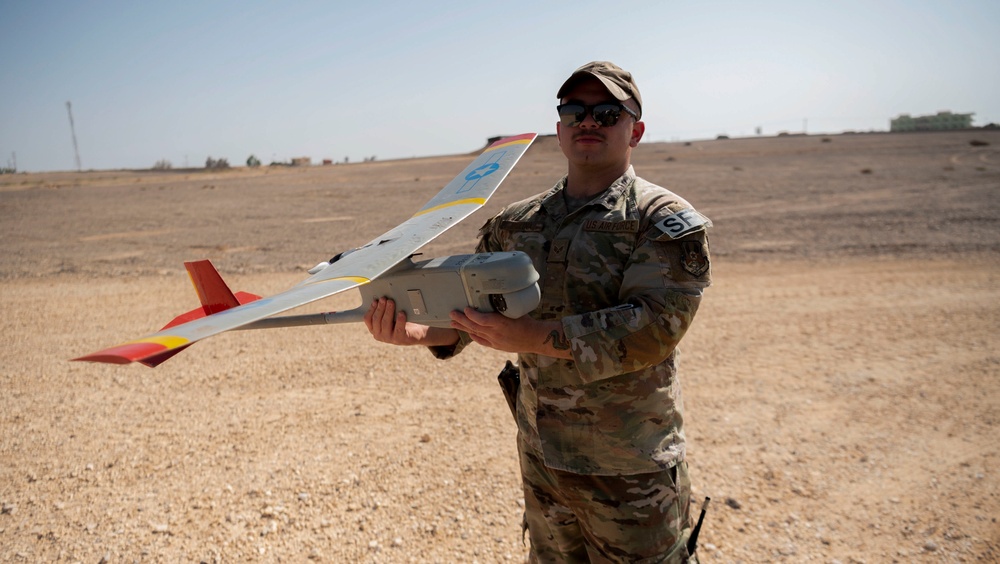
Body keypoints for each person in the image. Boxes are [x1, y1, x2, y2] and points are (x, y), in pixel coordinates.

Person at [365, 61, 712, 563]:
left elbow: (654, 329)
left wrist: (531, 336)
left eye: (606, 112)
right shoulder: (515, 224)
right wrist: (417, 333)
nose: (588, 121)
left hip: (629, 467)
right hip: (543, 462)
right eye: (574, 111)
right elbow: (465, 319)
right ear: (559, 130)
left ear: (635, 130)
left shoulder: (659, 221)